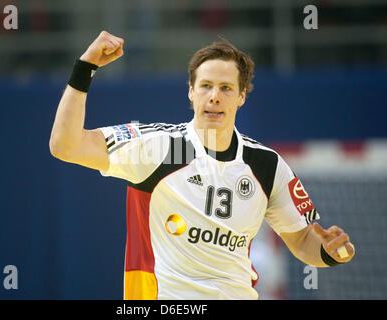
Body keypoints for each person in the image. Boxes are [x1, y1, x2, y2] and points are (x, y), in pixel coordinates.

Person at [49, 31, 355, 300]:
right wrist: (84, 68)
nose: (214, 97)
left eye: (226, 88)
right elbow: (66, 145)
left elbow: (302, 240)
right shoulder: (165, 148)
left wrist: (330, 253)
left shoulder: (264, 164)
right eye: (206, 86)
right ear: (190, 92)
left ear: (241, 97)